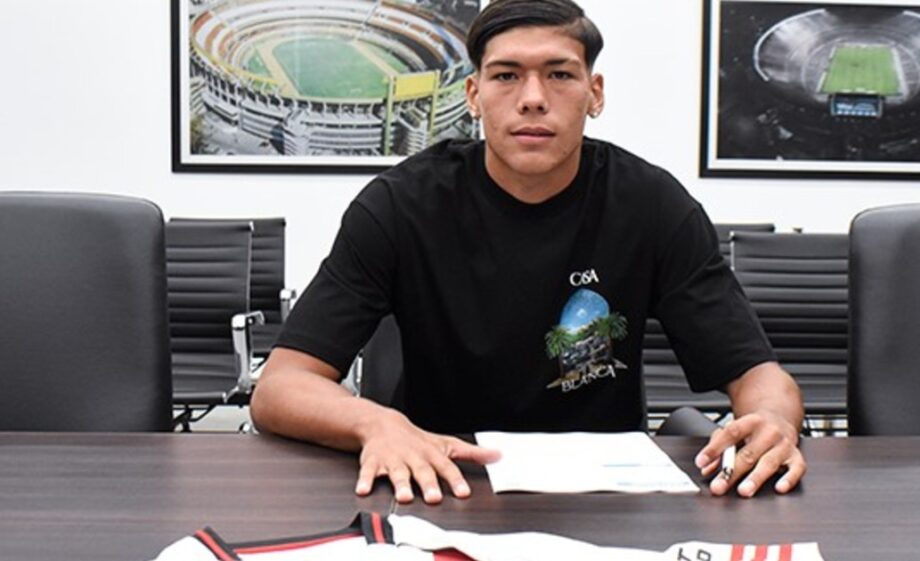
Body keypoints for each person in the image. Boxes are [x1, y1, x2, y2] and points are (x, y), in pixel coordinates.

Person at [251, 0, 805, 505]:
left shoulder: (653, 206)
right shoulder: (399, 206)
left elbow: (758, 375)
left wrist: (772, 422)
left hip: (605, 495)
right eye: (506, 75)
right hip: (441, 482)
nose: (533, 98)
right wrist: (377, 424)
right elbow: (280, 387)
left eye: (560, 74)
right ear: (473, 95)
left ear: (595, 93)